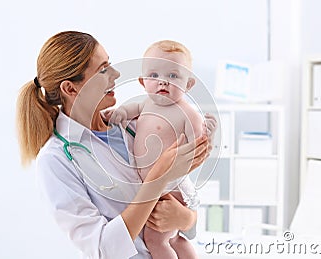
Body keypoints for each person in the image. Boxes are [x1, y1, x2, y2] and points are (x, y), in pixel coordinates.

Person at [16, 31, 213, 259]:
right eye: (103, 69)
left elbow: (187, 207)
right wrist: (157, 178)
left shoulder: (134, 125)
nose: (116, 74)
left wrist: (186, 218)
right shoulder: (56, 160)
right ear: (71, 89)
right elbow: (102, 249)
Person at [109, 40, 210, 259]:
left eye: (173, 76)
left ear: (189, 84)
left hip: (172, 188)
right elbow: (128, 110)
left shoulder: (187, 113)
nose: (163, 81)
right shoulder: (145, 104)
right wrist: (118, 114)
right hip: (156, 187)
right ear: (142, 81)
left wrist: (205, 134)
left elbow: (198, 145)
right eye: (154, 75)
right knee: (173, 238)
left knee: (156, 239)